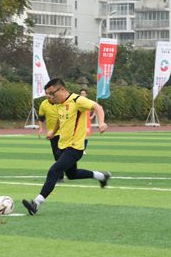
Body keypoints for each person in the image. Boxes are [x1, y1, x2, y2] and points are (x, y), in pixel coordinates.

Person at [22, 78, 111, 215]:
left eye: (52, 93)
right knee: (72, 174)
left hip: (75, 147)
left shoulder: (77, 100)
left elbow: (98, 107)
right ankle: (101, 176)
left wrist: (102, 122)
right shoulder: (60, 104)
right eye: (48, 94)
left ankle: (36, 203)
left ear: (62, 89)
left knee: (54, 171)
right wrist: (53, 132)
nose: (51, 97)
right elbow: (60, 119)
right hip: (62, 146)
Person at [38, 95, 64, 182]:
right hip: (52, 133)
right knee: (57, 154)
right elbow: (41, 118)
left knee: (61, 153)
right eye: (47, 94)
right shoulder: (44, 104)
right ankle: (61, 174)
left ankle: (60, 175)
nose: (50, 96)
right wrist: (41, 129)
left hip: (64, 132)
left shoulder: (60, 102)